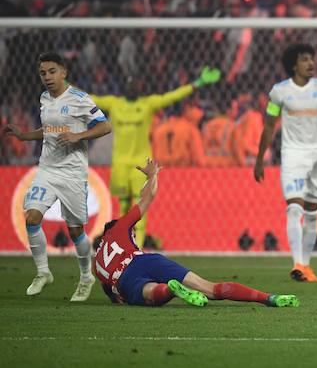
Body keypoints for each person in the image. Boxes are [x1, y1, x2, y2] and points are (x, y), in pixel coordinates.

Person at [94, 159, 298, 308]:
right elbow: (147, 197)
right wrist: (152, 176)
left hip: (124, 279)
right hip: (146, 261)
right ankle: (268, 298)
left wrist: (117, 296)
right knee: (210, 288)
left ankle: (169, 289)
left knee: (148, 293)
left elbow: (112, 292)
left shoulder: (97, 265)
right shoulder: (120, 227)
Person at [2, 52, 112, 301]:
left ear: (64, 72)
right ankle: (43, 272)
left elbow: (105, 126)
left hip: (73, 173)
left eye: (52, 71)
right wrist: (24, 136)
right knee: (32, 216)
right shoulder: (44, 99)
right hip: (47, 169)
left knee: (75, 231)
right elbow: (48, 131)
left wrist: (78, 136)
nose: (47, 77)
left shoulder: (79, 99)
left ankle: (86, 276)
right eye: (43, 73)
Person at [91, 67, 221, 247]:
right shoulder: (114, 104)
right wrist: (64, 86)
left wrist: (197, 83)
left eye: (135, 84)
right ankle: (124, 246)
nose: (132, 88)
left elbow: (172, 97)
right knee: (122, 207)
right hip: (120, 165)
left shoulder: (147, 104)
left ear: (140, 87)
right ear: (124, 87)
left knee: (141, 205)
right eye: (129, 84)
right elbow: (89, 98)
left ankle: (138, 247)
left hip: (140, 165)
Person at [254, 44, 317, 283]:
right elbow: (269, 126)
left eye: (312, 59)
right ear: (294, 64)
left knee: (313, 214)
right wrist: (260, 158)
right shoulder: (279, 92)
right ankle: (296, 263)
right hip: (292, 155)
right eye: (305, 59)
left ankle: (305, 265)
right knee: (294, 208)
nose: (311, 63)